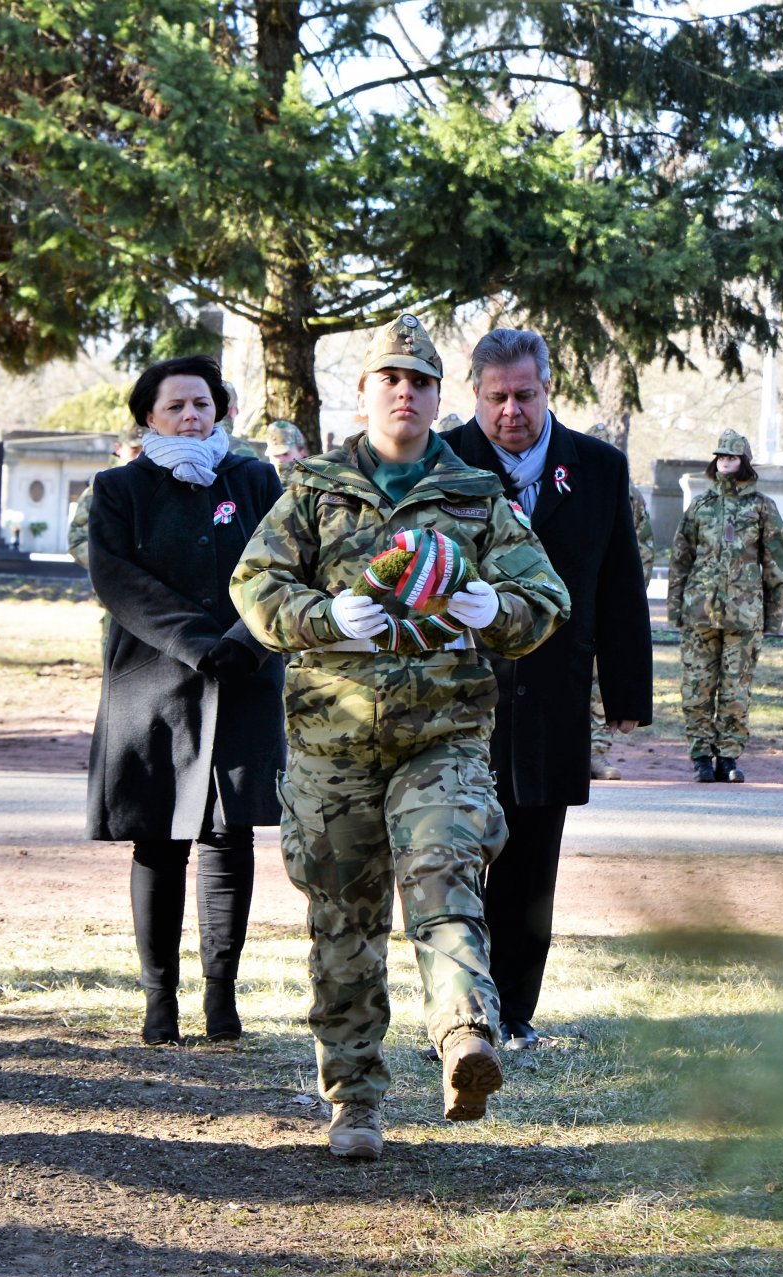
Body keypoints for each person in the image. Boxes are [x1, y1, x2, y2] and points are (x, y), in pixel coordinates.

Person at [232, 315, 570, 1160]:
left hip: (443, 735)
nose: (405, 393)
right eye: (391, 378)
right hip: (332, 744)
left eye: (421, 381)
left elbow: (546, 598)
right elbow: (254, 582)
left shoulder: (476, 494)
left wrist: (500, 609)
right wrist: (320, 617)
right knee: (343, 924)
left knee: (445, 871)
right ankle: (354, 1102)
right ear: (365, 390)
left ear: (436, 396)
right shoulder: (314, 489)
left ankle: (464, 1039)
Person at [442, 331, 653, 1051]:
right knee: (459, 857)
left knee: (533, 864)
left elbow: (620, 587)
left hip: (555, 696)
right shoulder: (443, 463)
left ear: (548, 389)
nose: (510, 412)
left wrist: (625, 692)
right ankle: (460, 1013)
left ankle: (515, 1013)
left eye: (524, 395)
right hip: (459, 698)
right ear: (475, 393)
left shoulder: (596, 468)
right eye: (495, 397)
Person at [83, 355, 285, 1047]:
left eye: (203, 403)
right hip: (152, 685)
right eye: (176, 406)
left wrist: (244, 641)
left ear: (220, 409)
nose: (192, 415)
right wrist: (205, 644)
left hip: (245, 683)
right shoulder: (118, 489)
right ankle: (159, 1001)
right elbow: (118, 581)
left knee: (231, 836)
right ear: (149, 417)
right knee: (160, 838)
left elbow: (284, 567)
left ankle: (221, 1001)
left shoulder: (256, 478)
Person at [667, 429, 783, 784]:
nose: (725, 461)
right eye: (721, 456)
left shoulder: (762, 507)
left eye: (732, 457)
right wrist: (675, 610)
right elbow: (680, 560)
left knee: (736, 689)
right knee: (697, 688)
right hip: (699, 614)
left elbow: (778, 564)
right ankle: (701, 757)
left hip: (744, 615)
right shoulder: (701, 508)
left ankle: (729, 756)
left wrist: (773, 617)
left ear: (744, 462)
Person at [585, 422, 657, 781]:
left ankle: (596, 754)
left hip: (607, 602)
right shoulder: (573, 481)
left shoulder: (626, 492)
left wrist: (623, 594)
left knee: (601, 685)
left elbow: (641, 547)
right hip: (576, 600)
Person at [67, 426, 143, 571]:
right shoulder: (102, 489)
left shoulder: (159, 484)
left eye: (144, 451)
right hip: (115, 585)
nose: (140, 456)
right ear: (119, 448)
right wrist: (111, 569)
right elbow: (77, 540)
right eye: (134, 450)